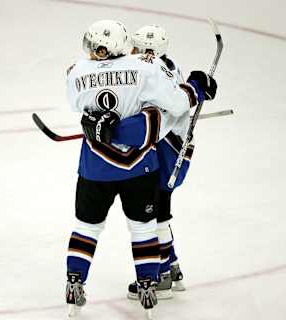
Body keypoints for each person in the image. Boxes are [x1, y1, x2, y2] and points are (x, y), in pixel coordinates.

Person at [64, 20, 217, 317]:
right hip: (139, 168)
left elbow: (76, 102)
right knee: (144, 227)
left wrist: (105, 128)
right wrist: (197, 88)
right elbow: (174, 103)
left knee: (86, 226)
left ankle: (74, 280)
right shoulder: (147, 68)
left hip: (95, 167)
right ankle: (149, 282)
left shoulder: (76, 72)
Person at [118, 24, 214, 300]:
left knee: (153, 213)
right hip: (173, 151)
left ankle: (160, 276)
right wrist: (196, 87)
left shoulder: (151, 72)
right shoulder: (166, 65)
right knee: (161, 210)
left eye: (134, 47)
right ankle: (171, 266)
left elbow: (168, 105)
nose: (131, 51)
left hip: (165, 153)